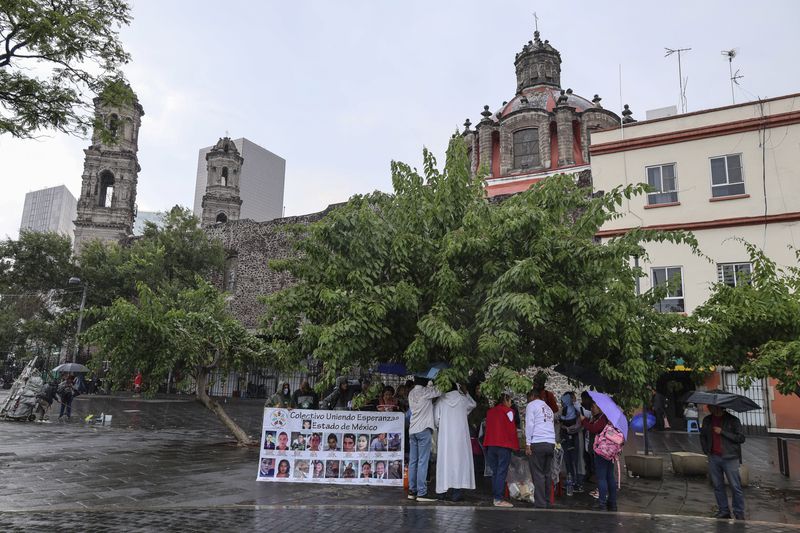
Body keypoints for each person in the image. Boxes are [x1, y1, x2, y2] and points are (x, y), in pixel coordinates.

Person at [701, 405, 746, 520]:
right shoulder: (707, 420)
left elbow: (741, 438)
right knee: (717, 485)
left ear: (719, 407)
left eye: (711, 406)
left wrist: (723, 432)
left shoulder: (733, 420)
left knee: (735, 486)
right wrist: (706, 450)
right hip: (714, 457)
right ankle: (724, 510)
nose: (709, 408)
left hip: (730, 457)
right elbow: (703, 436)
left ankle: (739, 511)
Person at [434, 383, 476, 502]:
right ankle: (456, 494)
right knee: (459, 463)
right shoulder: (463, 399)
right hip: (460, 438)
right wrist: (466, 392)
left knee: (444, 463)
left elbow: (436, 420)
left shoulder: (441, 401)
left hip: (445, 437)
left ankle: (442, 492)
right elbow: (473, 404)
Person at [407, 376, 441, 502]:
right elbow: (440, 390)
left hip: (412, 430)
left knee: (413, 461)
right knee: (423, 462)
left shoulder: (411, 393)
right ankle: (422, 492)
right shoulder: (426, 392)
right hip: (423, 430)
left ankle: (412, 490)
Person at [582, 400, 617, 512]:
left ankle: (602, 503)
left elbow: (594, 429)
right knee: (610, 476)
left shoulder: (603, 418)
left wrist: (584, 421)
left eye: (593, 407)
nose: (592, 409)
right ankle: (612, 503)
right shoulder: (612, 418)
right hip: (611, 452)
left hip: (602, 451)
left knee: (602, 478)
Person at [483, 393, 518, 507]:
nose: (511, 403)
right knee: (501, 472)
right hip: (503, 445)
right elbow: (512, 429)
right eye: (510, 401)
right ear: (505, 401)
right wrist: (515, 445)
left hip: (491, 445)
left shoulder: (490, 412)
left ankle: (495, 496)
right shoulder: (509, 412)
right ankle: (498, 498)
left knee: (495, 472)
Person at [525, 386, 556, 509]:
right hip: (550, 443)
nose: (527, 401)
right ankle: (547, 501)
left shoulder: (531, 405)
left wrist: (528, 444)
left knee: (537, 474)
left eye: (528, 398)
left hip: (538, 442)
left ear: (532, 396)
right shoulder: (548, 408)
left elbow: (530, 424)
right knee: (547, 473)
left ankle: (540, 503)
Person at [560, 391, 583, 494]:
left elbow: (579, 424)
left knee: (576, 460)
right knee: (567, 460)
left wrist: (568, 428)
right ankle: (570, 481)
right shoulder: (564, 410)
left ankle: (578, 483)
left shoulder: (578, 410)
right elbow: (559, 418)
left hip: (575, 438)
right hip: (565, 438)